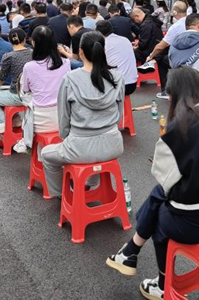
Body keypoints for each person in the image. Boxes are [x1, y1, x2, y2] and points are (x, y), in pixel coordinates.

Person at [106, 68, 199, 300]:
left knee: (159, 211)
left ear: (175, 96)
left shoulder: (179, 128)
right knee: (163, 197)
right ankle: (130, 251)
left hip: (193, 224)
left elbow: (164, 181)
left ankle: (160, 281)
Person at [40, 31, 125, 198]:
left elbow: (64, 118)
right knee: (93, 155)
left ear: (80, 52)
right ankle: (89, 184)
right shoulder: (117, 77)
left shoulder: (70, 79)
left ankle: (62, 196)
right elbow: (119, 115)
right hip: (113, 144)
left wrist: (66, 137)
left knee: (46, 155)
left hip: (79, 147)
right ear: (103, 49)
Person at [0, 29, 33, 152]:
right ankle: (15, 119)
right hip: (31, 95)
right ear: (24, 39)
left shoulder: (8, 56)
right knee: (1, 93)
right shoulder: (32, 53)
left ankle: (1, 122)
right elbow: (10, 66)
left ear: (10, 40)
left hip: (17, 95)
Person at [21, 25, 72, 139]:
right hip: (65, 119)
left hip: (40, 122)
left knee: (24, 96)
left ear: (33, 42)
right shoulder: (66, 63)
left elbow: (25, 90)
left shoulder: (29, 67)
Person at [144, 1, 189, 100]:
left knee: (161, 59)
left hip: (182, 59)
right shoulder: (192, 22)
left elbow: (161, 46)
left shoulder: (176, 27)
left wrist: (151, 56)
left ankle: (166, 91)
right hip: (194, 55)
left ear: (175, 12)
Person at [96, 20, 139, 96]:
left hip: (116, 86)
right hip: (132, 84)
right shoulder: (125, 39)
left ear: (98, 33)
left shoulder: (103, 44)